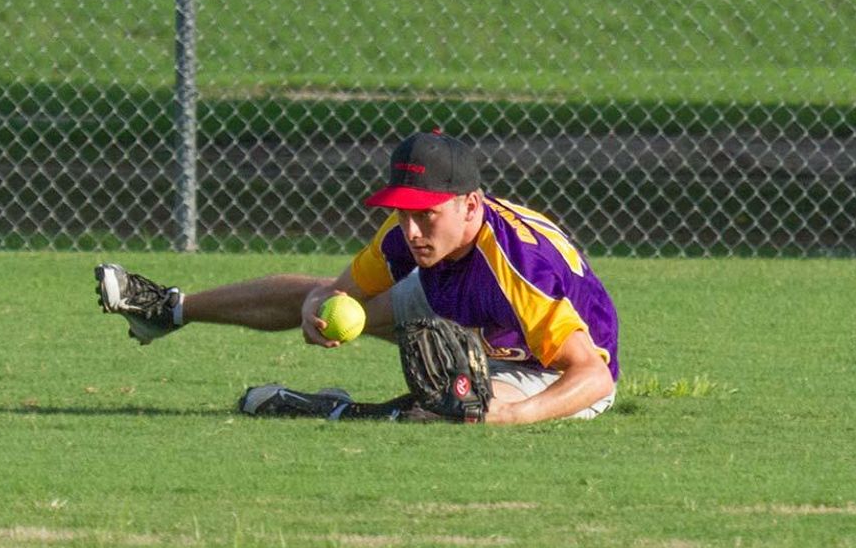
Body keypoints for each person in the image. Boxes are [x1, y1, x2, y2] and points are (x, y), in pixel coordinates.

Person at [95, 131, 619, 425]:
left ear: (470, 204)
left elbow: (592, 375)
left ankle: (330, 409)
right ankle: (169, 309)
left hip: (550, 370)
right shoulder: (412, 236)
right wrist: (318, 308)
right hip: (459, 304)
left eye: (426, 214)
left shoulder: (519, 269)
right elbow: (341, 293)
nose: (410, 229)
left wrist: (514, 417)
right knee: (323, 299)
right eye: (402, 211)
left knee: (461, 409)